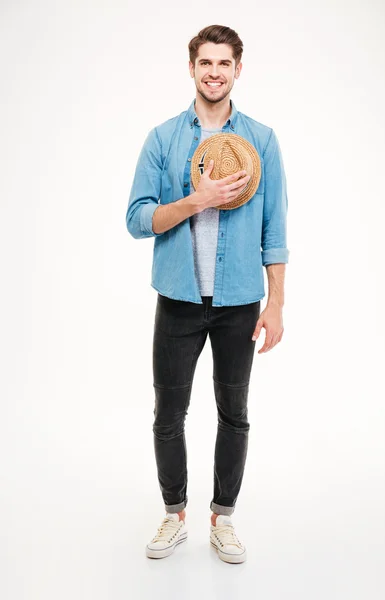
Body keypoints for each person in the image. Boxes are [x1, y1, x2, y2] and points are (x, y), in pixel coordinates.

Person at [126, 24, 289, 564]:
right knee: (168, 415)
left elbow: (274, 229)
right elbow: (137, 219)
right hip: (177, 298)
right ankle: (175, 514)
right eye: (205, 63)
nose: (214, 72)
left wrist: (277, 304)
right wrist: (197, 200)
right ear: (191, 68)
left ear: (238, 70)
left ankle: (223, 518)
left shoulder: (262, 140)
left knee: (234, 412)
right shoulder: (163, 139)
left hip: (239, 302)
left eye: (224, 63)